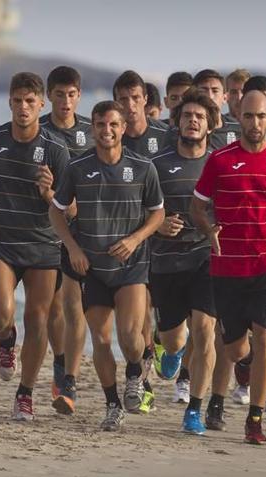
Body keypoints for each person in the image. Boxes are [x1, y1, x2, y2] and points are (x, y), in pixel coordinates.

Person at [191, 90, 266, 445]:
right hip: (227, 267)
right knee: (236, 348)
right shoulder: (220, 160)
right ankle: (247, 362)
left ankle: (255, 419)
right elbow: (197, 206)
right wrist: (209, 230)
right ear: (239, 116)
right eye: (249, 116)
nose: (255, 123)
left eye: (262, 116)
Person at [49, 100, 165, 431]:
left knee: (130, 337)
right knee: (100, 339)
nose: (107, 130)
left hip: (130, 266)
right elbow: (56, 211)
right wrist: (73, 248)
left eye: (113, 124)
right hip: (94, 268)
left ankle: (135, 373)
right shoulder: (77, 167)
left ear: (123, 128)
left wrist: (135, 239)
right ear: (93, 128)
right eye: (100, 124)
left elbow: (158, 213)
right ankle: (113, 404)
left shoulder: (143, 167)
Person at [0, 72, 70, 421]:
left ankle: (25, 393)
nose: (23, 108)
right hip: (0, 241)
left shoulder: (56, 148)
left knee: (37, 318)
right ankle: (7, 339)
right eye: (17, 101)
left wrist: (50, 193)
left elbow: (72, 206)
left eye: (30, 102)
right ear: (9, 102)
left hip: (43, 244)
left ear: (41, 105)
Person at [149, 89, 219, 434]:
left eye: (200, 117)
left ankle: (194, 409)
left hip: (206, 256)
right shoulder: (157, 165)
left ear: (210, 125)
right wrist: (158, 226)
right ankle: (168, 347)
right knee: (176, 339)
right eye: (188, 116)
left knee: (205, 330)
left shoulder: (219, 163)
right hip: (165, 261)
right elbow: (140, 212)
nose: (193, 121)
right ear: (176, 122)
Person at [114, 70, 171, 412]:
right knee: (139, 317)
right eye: (123, 99)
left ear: (146, 100)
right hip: (132, 242)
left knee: (165, 317)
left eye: (136, 99)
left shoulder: (166, 136)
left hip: (167, 238)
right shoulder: (110, 138)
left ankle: (162, 345)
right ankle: (142, 379)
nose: (130, 106)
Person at [38, 66, 95, 410]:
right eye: (59, 94)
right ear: (49, 96)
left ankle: (68, 379)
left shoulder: (91, 130)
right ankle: (60, 360)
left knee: (75, 307)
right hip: (44, 229)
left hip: (82, 229)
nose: (65, 101)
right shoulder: (38, 130)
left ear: (79, 95)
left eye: (72, 94)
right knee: (52, 307)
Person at [193, 69, 241, 150]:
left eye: (215, 91)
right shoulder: (184, 131)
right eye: (204, 90)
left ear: (225, 98)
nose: (210, 96)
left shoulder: (240, 129)